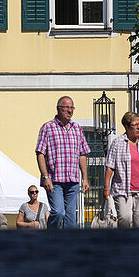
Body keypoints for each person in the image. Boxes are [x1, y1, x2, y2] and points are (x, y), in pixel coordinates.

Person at [35, 95, 90, 229]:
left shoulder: (77, 128)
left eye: (72, 108)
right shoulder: (48, 127)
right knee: (58, 212)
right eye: (66, 108)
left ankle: (69, 246)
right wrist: (45, 176)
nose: (70, 111)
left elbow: (82, 154)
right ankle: (52, 237)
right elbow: (40, 153)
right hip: (55, 180)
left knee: (71, 219)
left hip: (72, 181)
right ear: (59, 109)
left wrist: (85, 178)